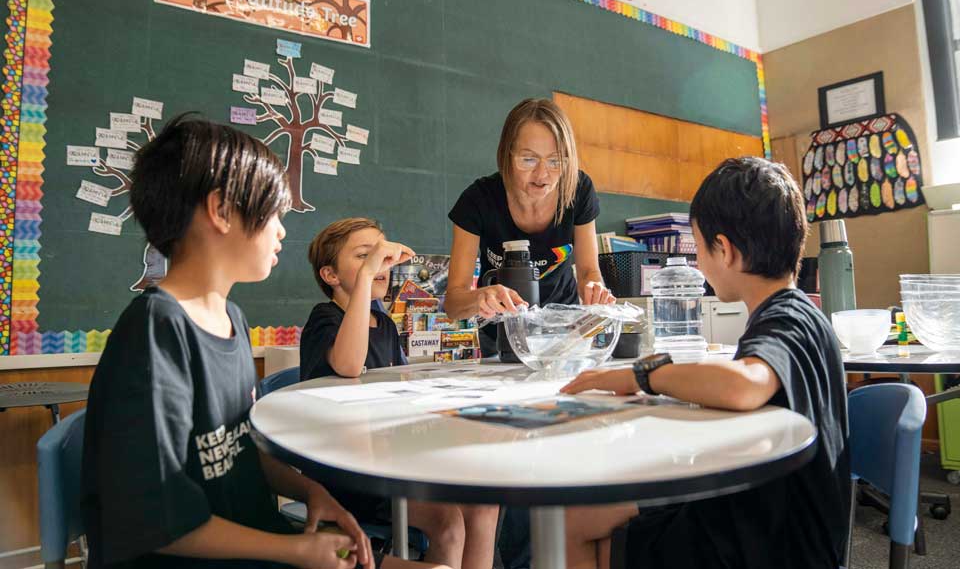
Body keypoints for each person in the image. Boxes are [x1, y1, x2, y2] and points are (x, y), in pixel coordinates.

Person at [81, 114, 445, 569]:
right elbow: (154, 518)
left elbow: (239, 450)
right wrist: (294, 550)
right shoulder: (157, 331)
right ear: (221, 211)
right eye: (274, 213)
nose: (282, 229)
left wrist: (312, 492)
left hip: (260, 545)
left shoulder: (229, 317)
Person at [559, 156, 850, 569]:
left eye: (698, 248)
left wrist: (643, 375)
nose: (698, 263)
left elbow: (743, 385)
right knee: (581, 517)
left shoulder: (788, 318)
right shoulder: (796, 312)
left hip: (773, 546)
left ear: (725, 250)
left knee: (575, 525)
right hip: (767, 517)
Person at [443, 98, 618, 568]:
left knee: (557, 462)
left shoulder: (578, 191)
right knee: (511, 463)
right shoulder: (478, 201)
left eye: (556, 160)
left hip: (560, 345)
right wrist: (481, 297)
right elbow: (452, 297)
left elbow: (588, 271)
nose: (543, 175)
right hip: (503, 349)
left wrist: (597, 292)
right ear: (506, 156)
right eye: (529, 159)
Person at [301, 217, 500, 569]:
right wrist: (365, 279)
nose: (379, 266)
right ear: (330, 275)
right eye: (365, 256)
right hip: (348, 476)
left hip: (391, 458)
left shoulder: (386, 326)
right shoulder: (324, 319)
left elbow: (399, 391)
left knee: (484, 502)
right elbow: (349, 364)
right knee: (449, 523)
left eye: (382, 257)